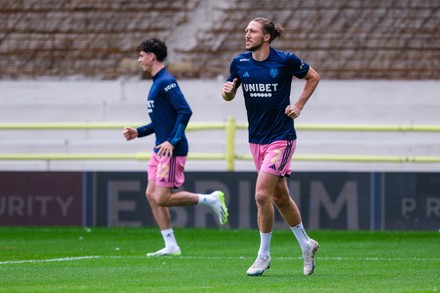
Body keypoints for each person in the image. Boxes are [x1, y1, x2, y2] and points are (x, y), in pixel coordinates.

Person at [221, 17, 320, 276]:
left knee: (261, 195)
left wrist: (298, 105)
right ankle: (306, 244)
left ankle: (263, 256)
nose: (247, 35)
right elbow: (229, 93)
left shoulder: (285, 60)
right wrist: (228, 92)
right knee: (280, 197)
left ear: (266, 36)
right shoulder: (239, 62)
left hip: (281, 137)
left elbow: (313, 77)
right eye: (246, 31)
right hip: (256, 139)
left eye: (252, 31)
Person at [124, 38, 229, 257]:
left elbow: (185, 111)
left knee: (162, 197)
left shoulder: (166, 81)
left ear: (152, 56)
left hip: (172, 149)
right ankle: (170, 244)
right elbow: (161, 121)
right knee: (151, 194)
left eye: (141, 55)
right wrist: (138, 132)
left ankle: (210, 199)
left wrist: (172, 141)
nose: (139, 59)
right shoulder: (156, 82)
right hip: (159, 149)